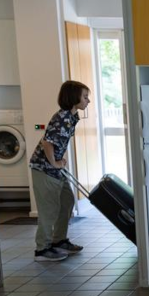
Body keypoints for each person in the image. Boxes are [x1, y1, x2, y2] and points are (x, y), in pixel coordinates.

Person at [28, 80, 89, 262]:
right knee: (49, 209)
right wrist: (54, 162)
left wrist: (58, 161)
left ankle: (59, 241)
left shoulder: (71, 117)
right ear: (73, 98)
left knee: (67, 201)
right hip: (44, 169)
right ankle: (42, 249)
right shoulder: (62, 117)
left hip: (54, 169)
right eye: (85, 97)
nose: (88, 101)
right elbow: (47, 142)